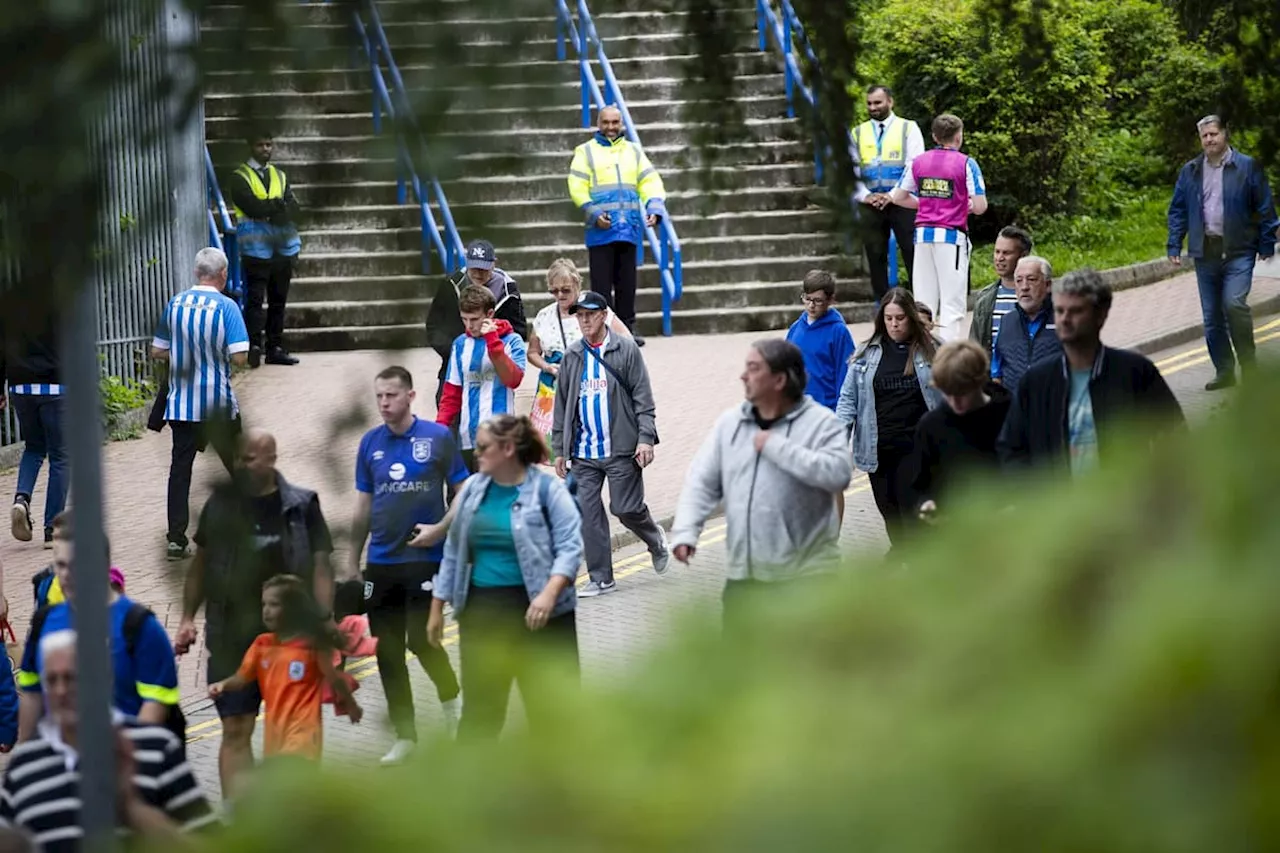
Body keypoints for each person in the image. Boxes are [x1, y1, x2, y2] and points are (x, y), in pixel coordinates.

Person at [174, 428, 335, 798]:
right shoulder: (221, 506)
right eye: (237, 459)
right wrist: (186, 619)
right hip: (231, 636)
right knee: (235, 730)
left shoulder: (301, 505)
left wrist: (325, 620)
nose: (240, 466)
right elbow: (200, 564)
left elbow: (322, 565)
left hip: (292, 641)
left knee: (296, 733)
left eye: (248, 459)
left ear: (270, 459)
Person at [671, 341, 852, 621]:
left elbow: (838, 474)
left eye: (753, 369)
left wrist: (778, 448)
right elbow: (702, 481)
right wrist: (685, 531)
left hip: (808, 579)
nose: (743, 376)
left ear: (779, 380)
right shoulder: (730, 424)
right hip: (744, 578)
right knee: (740, 665)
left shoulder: (821, 424)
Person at [427, 415, 583, 739]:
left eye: (483, 447)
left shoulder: (547, 490)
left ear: (508, 448)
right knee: (480, 716)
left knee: (552, 717)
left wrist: (549, 594)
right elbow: (454, 549)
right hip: (483, 613)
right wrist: (436, 608)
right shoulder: (472, 490)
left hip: (541, 615)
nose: (476, 454)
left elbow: (570, 547)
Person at [0, 631, 216, 849]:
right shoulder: (22, 768)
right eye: (52, 680)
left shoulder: (157, 748)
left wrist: (133, 810)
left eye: (72, 677)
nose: (61, 690)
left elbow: (212, 842)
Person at [351, 366, 467, 766]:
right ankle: (406, 735)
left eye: (391, 396)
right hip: (382, 562)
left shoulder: (437, 438)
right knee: (386, 652)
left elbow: (463, 491)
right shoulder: (370, 444)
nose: (384, 403)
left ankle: (452, 704)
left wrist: (439, 530)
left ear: (410, 396)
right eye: (379, 396)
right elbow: (363, 505)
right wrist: (353, 558)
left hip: (425, 560)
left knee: (422, 639)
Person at [999, 270, 1185, 473]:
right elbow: (1011, 449)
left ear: (1101, 314)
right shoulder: (1036, 381)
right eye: (1060, 311)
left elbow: (1174, 434)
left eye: (1076, 311)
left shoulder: (1135, 372)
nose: (1065, 319)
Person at [17, 512, 180, 744]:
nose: (66, 575)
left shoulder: (141, 627)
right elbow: (32, 695)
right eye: (60, 565)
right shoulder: (44, 623)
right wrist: (25, 762)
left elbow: (155, 707)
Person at [551, 291, 670, 597]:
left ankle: (654, 538)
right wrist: (559, 451)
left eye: (590, 313)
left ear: (604, 315)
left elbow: (644, 399)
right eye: (579, 315)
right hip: (584, 452)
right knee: (588, 515)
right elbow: (562, 406)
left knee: (625, 508)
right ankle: (601, 577)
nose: (584, 320)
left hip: (620, 448)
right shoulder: (573, 356)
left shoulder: (625, 349)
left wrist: (645, 439)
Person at [1166, 115, 1278, 391]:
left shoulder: (1247, 167)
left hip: (1239, 251)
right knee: (1212, 317)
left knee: (1234, 304)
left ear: (1225, 134)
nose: (1209, 140)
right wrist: (1174, 244)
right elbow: (1178, 209)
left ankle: (1249, 367)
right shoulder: (1191, 171)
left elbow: (1264, 207)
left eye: (1213, 134)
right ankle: (1224, 371)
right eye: (1204, 136)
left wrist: (1266, 244)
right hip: (1206, 253)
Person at [151, 247, 249, 561]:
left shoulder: (174, 304)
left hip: (180, 405)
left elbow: (158, 351)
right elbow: (240, 356)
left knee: (179, 471)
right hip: (217, 404)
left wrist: (183, 352)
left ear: (196, 273)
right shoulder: (227, 307)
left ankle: (176, 539)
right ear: (223, 274)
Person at [209, 574, 361, 761]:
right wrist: (223, 685)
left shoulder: (310, 646)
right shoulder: (262, 645)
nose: (266, 611)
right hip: (275, 737)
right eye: (264, 604)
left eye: (274, 605)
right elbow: (242, 678)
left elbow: (334, 678)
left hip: (304, 736)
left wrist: (351, 705)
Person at [836, 288, 942, 548]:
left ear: (911, 318)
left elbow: (951, 394)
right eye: (889, 318)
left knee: (914, 520)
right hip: (879, 452)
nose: (894, 324)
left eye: (900, 318)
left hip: (917, 450)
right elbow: (848, 400)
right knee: (892, 517)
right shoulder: (866, 354)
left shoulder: (933, 350)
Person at [567, 105, 668, 345]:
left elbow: (650, 181)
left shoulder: (633, 151)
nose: (611, 127)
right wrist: (593, 212)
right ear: (598, 123)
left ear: (621, 123)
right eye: (606, 122)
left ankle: (626, 331)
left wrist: (654, 206)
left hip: (629, 228)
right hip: (600, 229)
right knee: (602, 286)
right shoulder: (585, 151)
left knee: (627, 285)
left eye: (615, 122)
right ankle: (605, 333)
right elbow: (576, 186)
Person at [890, 113, 988, 342]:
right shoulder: (966, 163)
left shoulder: (918, 161)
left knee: (923, 301)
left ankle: (922, 353)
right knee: (952, 304)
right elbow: (981, 206)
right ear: (959, 136)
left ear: (934, 136)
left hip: (922, 235)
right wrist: (963, 206)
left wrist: (923, 203)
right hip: (951, 236)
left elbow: (898, 197)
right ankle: (948, 357)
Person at [528, 258, 630, 448]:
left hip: (590, 383)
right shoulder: (544, 315)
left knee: (589, 440)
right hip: (554, 386)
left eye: (565, 290)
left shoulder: (596, 309)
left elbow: (626, 339)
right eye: (554, 290)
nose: (559, 295)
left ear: (577, 284)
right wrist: (546, 366)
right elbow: (533, 352)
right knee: (556, 447)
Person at [908, 340, 1012, 523]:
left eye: (962, 393)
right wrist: (926, 504)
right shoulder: (931, 426)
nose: (955, 402)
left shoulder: (1011, 415)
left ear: (979, 380)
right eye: (947, 393)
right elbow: (921, 485)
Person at [229, 128, 301, 368]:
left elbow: (294, 208)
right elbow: (252, 207)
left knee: (278, 300)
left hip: (283, 247)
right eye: (260, 145)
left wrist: (273, 208)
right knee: (255, 300)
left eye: (269, 145)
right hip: (255, 247)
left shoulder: (279, 175)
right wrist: (277, 207)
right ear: (251, 146)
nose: (265, 149)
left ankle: (275, 347)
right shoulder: (239, 176)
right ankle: (254, 347)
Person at [425, 239, 529, 405]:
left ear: (494, 264)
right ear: (467, 263)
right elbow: (434, 325)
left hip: (492, 373)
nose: (478, 274)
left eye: (484, 268)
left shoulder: (508, 291)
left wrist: (493, 347)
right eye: (474, 268)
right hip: (454, 368)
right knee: (450, 418)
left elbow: (519, 330)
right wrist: (455, 351)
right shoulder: (451, 285)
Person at [435, 285, 527, 470]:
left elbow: (513, 379)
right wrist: (439, 431)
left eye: (475, 319)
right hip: (468, 440)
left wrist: (493, 341)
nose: (469, 325)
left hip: (501, 439)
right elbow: (451, 394)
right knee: (465, 497)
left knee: (500, 498)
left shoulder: (512, 341)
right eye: (464, 319)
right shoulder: (460, 344)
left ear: (490, 313)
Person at [0, 305, 67, 548]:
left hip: (20, 386)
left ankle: (22, 498)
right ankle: (52, 530)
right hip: (56, 386)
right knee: (60, 456)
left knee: (34, 448)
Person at [852, 85, 925, 301]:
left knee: (912, 251)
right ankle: (882, 306)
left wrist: (893, 194)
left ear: (890, 102)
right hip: (870, 202)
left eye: (878, 102)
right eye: (870, 103)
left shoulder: (908, 128)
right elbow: (850, 168)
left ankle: (919, 303)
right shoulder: (857, 133)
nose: (873, 107)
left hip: (903, 200)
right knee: (875, 257)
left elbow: (915, 164)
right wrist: (865, 195)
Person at [785, 269, 856, 411]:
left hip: (827, 410)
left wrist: (842, 413)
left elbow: (846, 376)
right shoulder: (795, 329)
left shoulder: (838, 332)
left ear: (830, 300)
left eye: (818, 301)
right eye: (807, 299)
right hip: (798, 409)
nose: (811, 305)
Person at [991, 255, 1061, 394]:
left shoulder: (1066, 319)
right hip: (1016, 409)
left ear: (1048, 285)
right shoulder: (1006, 323)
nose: (1024, 287)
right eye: (1019, 281)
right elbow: (996, 375)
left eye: (1031, 280)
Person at [970, 226, 1033, 354]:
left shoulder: (1038, 296)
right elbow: (974, 344)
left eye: (1006, 253)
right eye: (997, 252)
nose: (999, 258)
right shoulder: (985, 298)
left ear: (1023, 256)